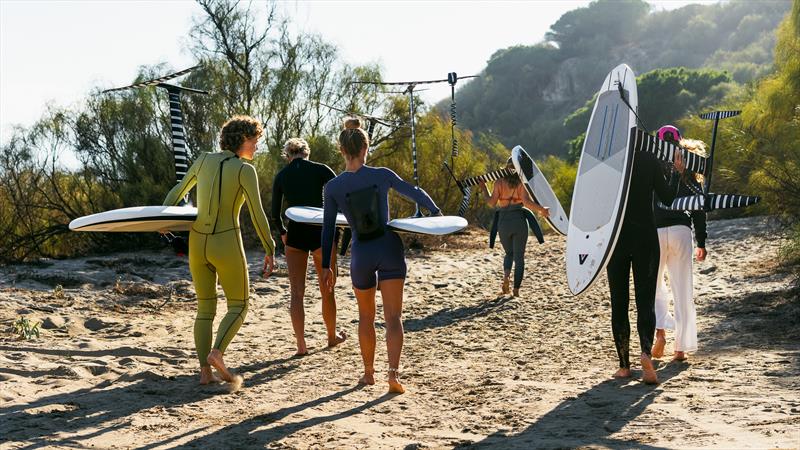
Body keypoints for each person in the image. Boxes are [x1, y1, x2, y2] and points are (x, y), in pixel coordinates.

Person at [319, 118, 441, 394]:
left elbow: (327, 231)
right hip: (388, 248)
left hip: (361, 253)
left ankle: (368, 373)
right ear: (366, 147)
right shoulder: (382, 174)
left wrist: (327, 266)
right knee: (394, 317)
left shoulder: (333, 188)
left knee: (365, 316)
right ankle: (393, 375)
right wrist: (435, 213)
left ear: (341, 150)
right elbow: (415, 193)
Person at [163, 115, 275, 387]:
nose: (257, 147)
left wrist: (163, 225)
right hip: (226, 242)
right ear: (241, 140)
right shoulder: (244, 170)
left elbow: (177, 192)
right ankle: (216, 353)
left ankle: (205, 373)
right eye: (255, 141)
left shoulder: (202, 160)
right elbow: (258, 214)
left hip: (197, 244)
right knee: (239, 304)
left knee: (204, 309)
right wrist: (270, 248)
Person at [606, 144, 684, 384]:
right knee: (645, 301)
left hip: (616, 240)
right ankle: (646, 354)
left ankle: (624, 366)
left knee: (619, 302)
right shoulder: (648, 158)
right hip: (645, 239)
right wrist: (676, 173)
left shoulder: (608, 160)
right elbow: (668, 198)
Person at [272, 137, 346, 356]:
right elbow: (340, 197)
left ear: (287, 155)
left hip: (295, 234)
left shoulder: (282, 176)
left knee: (296, 293)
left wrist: (283, 233)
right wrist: (339, 230)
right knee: (327, 289)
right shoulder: (321, 169)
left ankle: (301, 345)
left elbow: (275, 213)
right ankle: (331, 337)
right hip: (321, 232)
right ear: (307, 153)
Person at [651, 125, 708, 362]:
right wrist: (701, 242)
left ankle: (660, 334)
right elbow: (698, 209)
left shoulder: (651, 164)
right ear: (680, 142)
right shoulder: (689, 170)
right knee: (682, 289)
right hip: (680, 231)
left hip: (653, 231)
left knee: (653, 287)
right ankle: (680, 349)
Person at [479, 158, 549, 297]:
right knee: (519, 257)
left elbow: (491, 203)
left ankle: (506, 277)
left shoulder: (499, 182)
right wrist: (542, 209)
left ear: (506, 167)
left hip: (503, 223)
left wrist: (484, 189)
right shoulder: (521, 183)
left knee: (509, 254)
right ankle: (516, 290)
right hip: (519, 222)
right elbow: (527, 203)